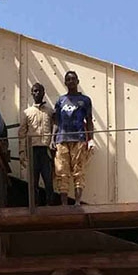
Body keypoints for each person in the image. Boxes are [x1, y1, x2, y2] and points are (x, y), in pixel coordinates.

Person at [53, 70, 94, 205]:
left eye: (73, 79)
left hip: (79, 138)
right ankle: (64, 204)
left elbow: (89, 120)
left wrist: (91, 139)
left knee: (79, 171)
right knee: (61, 171)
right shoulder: (60, 101)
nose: (71, 81)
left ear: (77, 81)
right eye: (68, 79)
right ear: (65, 82)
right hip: (62, 139)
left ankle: (77, 202)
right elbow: (56, 121)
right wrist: (53, 138)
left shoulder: (85, 100)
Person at [19, 82, 55, 205]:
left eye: (39, 91)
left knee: (48, 179)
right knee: (33, 180)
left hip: (46, 150)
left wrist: (53, 145)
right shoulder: (27, 112)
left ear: (44, 93)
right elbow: (22, 133)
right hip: (32, 150)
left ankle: (50, 205)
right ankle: (33, 206)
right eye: (35, 91)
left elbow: (54, 129)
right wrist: (22, 152)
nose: (37, 93)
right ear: (31, 93)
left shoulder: (50, 112)